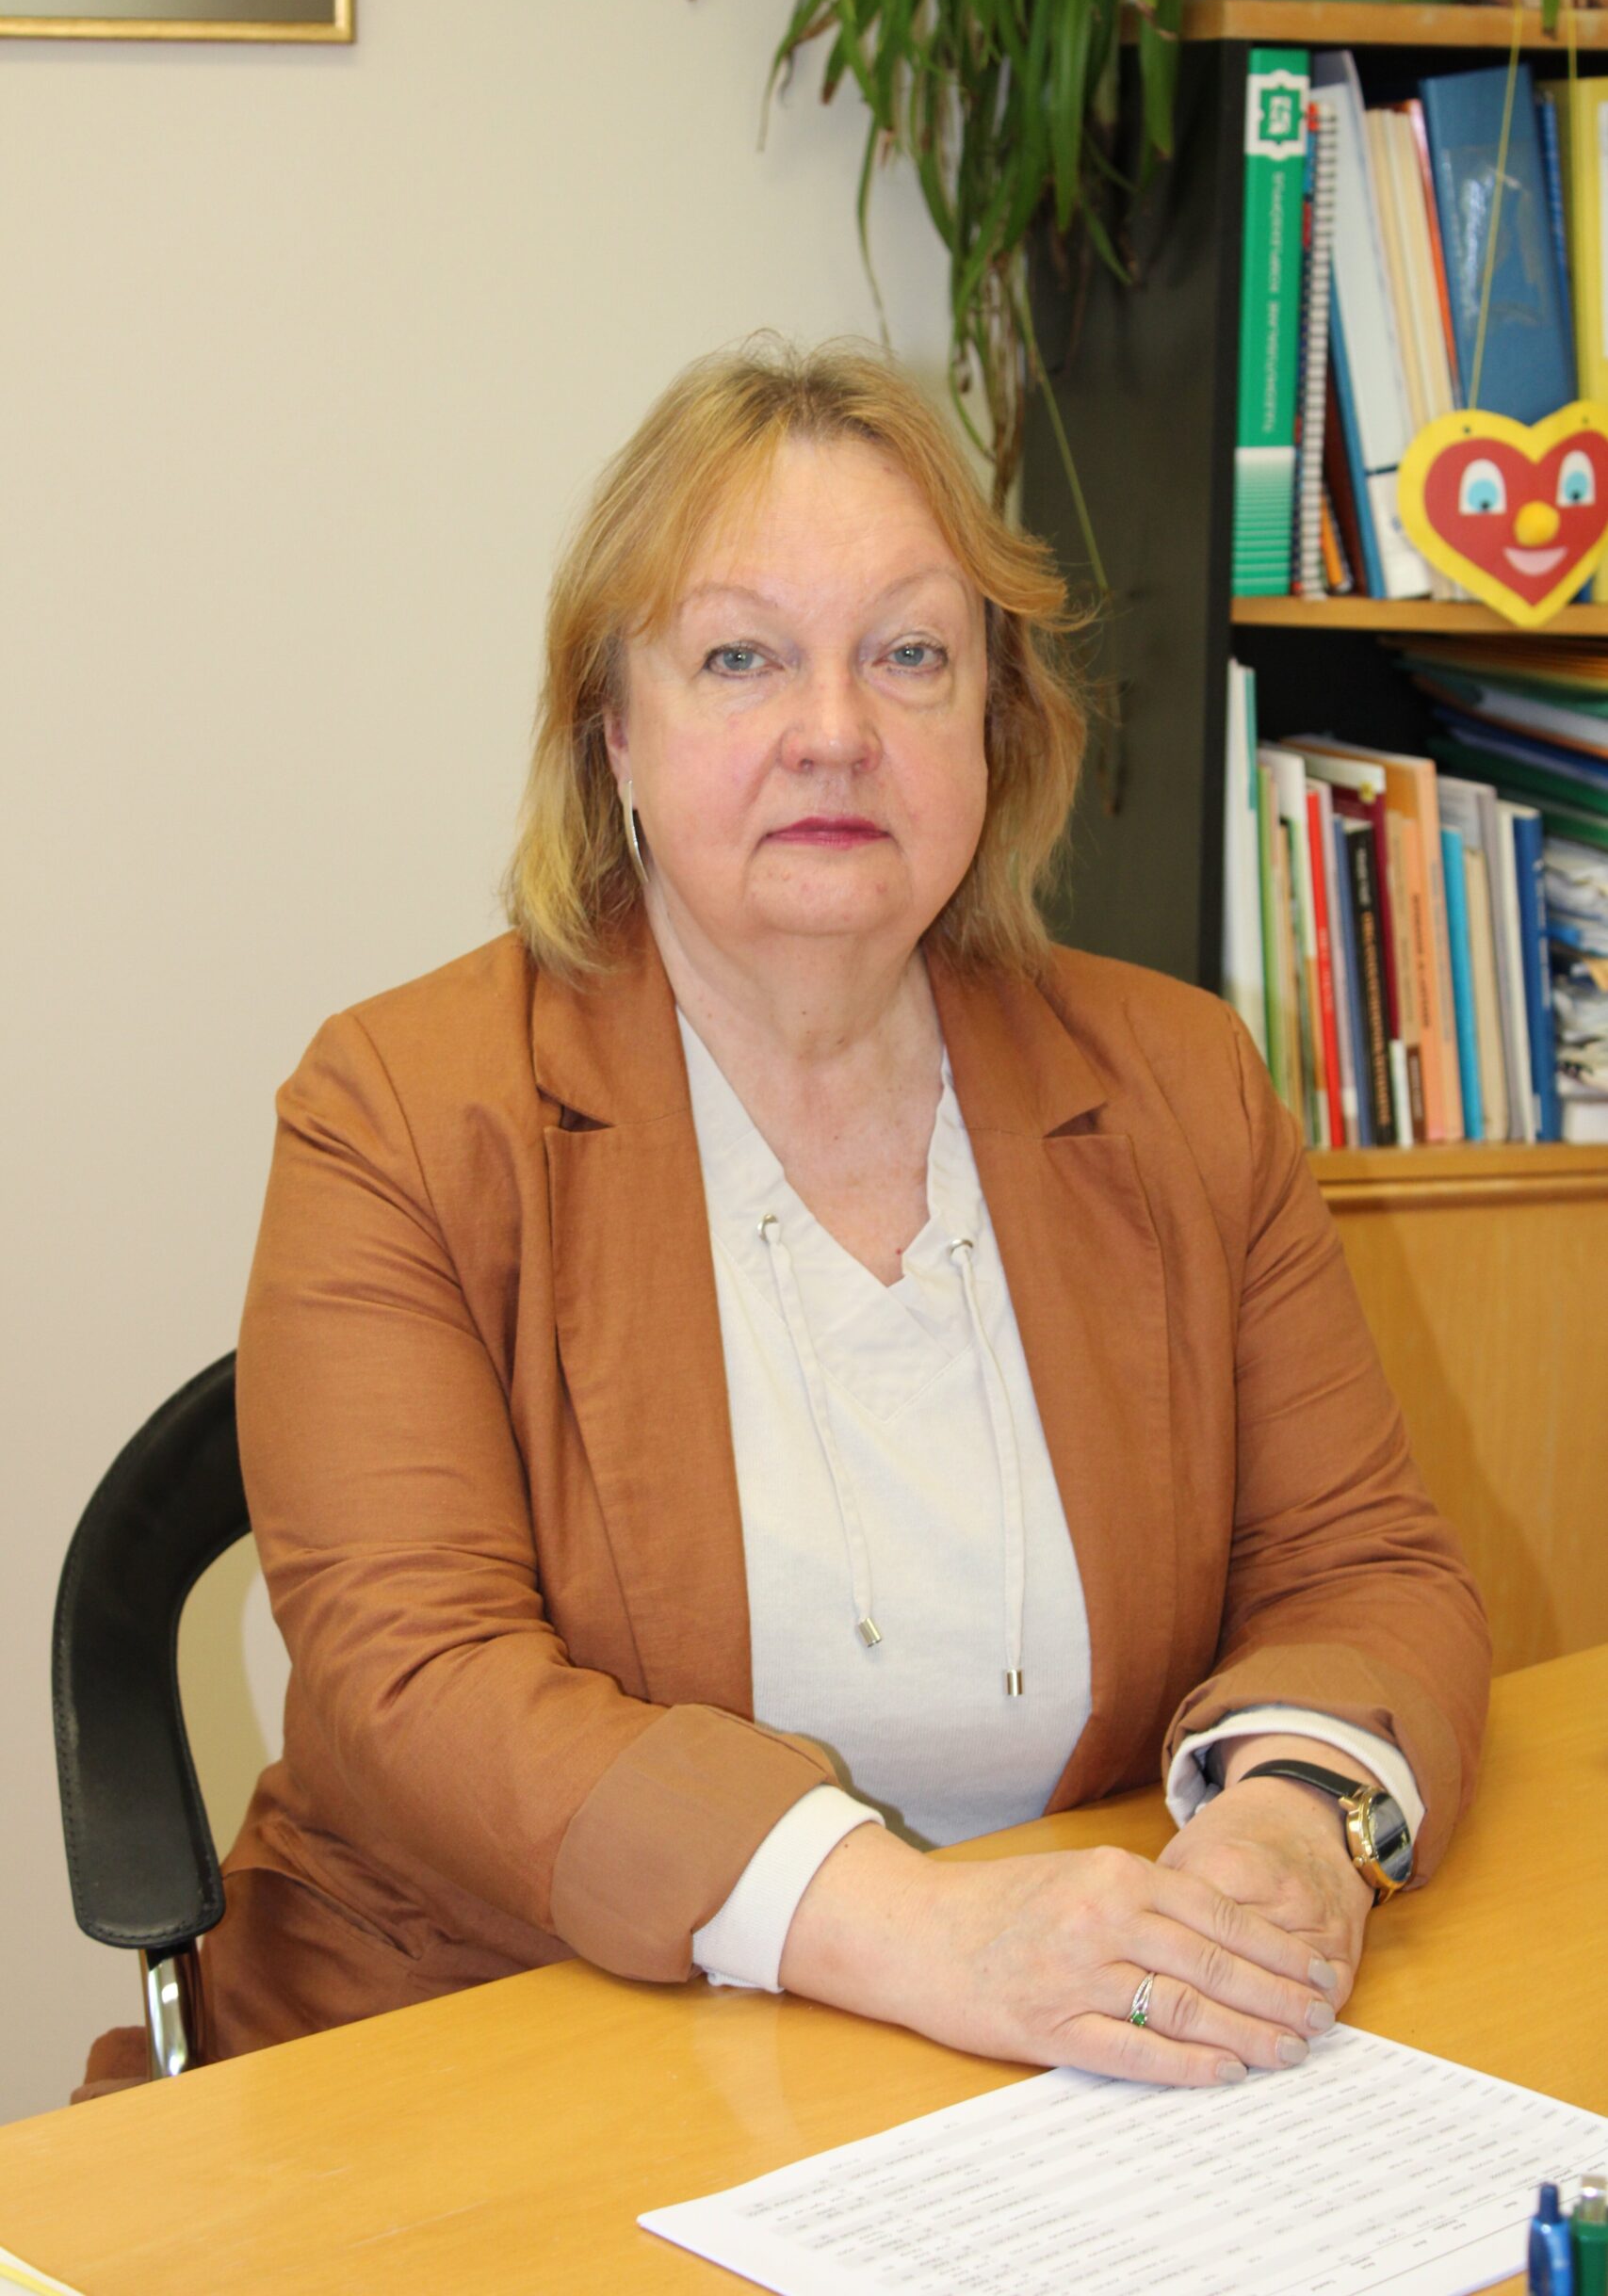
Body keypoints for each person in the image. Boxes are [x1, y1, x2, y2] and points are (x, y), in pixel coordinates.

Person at [83, 340, 1490, 2097]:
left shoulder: (1178, 1087)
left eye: (910, 655)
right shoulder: (403, 1109)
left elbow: (1362, 1564)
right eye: (741, 657)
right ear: (614, 731)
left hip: (1047, 2078)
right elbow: (416, 1677)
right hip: (485, 2049)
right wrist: (923, 1934)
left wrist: (1292, 1821)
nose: (836, 731)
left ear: (995, 727)